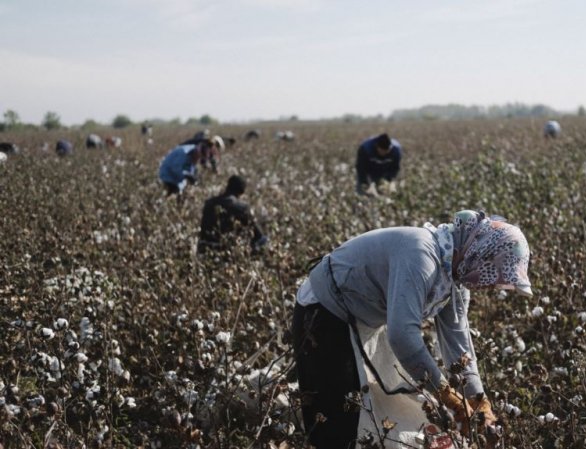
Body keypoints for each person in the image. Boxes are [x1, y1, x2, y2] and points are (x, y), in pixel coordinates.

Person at [292, 210, 532, 448]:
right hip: (323, 312)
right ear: (480, 253)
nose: (489, 285)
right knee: (337, 420)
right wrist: (447, 396)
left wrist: (479, 401)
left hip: (361, 320)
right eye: (491, 272)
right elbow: (403, 337)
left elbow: (459, 345)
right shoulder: (421, 255)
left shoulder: (454, 279)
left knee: (372, 408)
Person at [197, 175, 267, 254]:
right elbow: (258, 235)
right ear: (242, 192)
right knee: (263, 240)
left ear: (227, 186)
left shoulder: (209, 203)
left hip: (204, 250)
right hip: (226, 252)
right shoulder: (242, 208)